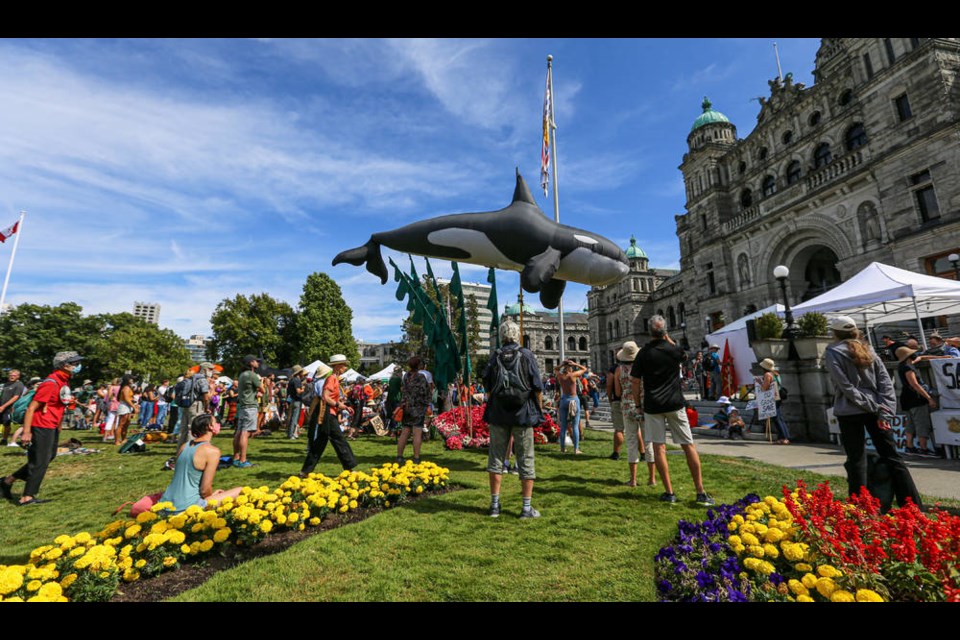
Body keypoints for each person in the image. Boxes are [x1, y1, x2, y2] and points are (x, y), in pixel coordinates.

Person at [824, 315, 922, 510]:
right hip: (876, 409)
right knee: (892, 456)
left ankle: (860, 506)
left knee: (856, 459)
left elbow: (846, 387)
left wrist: (874, 407)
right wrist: (883, 410)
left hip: (851, 410)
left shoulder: (833, 352)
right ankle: (912, 506)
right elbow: (886, 383)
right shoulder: (868, 349)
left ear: (835, 333)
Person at [631, 315, 714, 506]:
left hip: (653, 405)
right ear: (665, 332)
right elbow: (684, 355)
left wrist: (637, 404)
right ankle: (700, 491)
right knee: (688, 445)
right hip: (676, 403)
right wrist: (668, 338)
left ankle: (669, 492)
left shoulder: (643, 353)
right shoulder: (674, 350)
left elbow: (635, 381)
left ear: (650, 331)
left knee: (659, 447)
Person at [1, 351, 83, 505]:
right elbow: (32, 407)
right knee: (40, 462)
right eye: (75, 363)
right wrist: (26, 432)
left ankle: (7, 481)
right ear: (64, 365)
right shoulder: (51, 383)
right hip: (41, 425)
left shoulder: (64, 381)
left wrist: (58, 426)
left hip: (52, 425)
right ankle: (27, 497)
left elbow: (59, 405)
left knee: (47, 457)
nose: (78, 366)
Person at [483, 320, 544, 519]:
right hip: (523, 413)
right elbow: (537, 386)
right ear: (518, 335)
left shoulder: (495, 356)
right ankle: (526, 508)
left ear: (501, 336)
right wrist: (539, 409)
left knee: (496, 458)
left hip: (499, 413)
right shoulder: (526, 355)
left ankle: (494, 506)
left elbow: (488, 386)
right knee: (525, 458)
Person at [160, 413, 243, 514]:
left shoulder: (184, 446)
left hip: (165, 504)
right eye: (216, 422)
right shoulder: (212, 451)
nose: (218, 424)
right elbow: (204, 490)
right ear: (210, 426)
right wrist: (213, 496)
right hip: (187, 507)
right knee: (241, 491)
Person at [299, 354, 358, 476]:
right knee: (340, 440)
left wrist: (342, 405)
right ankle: (351, 469)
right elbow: (325, 397)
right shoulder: (331, 378)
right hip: (327, 414)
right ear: (337, 366)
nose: (346, 368)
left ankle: (305, 471)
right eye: (344, 365)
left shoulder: (334, 378)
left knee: (320, 443)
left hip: (328, 413)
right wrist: (339, 405)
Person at [615, 341, 656, 487]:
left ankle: (633, 480)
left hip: (627, 407)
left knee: (631, 442)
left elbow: (618, 392)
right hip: (644, 407)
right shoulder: (644, 368)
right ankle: (652, 479)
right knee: (649, 441)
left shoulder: (619, 370)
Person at [895, 345, 940, 457]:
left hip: (905, 398)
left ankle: (910, 447)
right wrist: (929, 398)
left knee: (910, 424)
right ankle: (924, 449)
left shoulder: (902, 366)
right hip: (916, 398)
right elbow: (915, 384)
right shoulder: (908, 368)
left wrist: (939, 357)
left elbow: (920, 358)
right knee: (921, 423)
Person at [397, 357, 430, 464]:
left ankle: (399, 456)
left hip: (406, 407)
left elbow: (403, 390)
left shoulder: (405, 376)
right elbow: (426, 391)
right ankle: (416, 457)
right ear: (419, 365)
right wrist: (426, 404)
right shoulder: (421, 377)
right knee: (417, 433)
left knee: (405, 432)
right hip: (418, 408)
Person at [233, 355, 262, 469]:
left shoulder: (242, 375)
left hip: (242, 405)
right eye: (256, 361)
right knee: (245, 432)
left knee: (239, 431)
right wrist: (261, 382)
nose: (258, 363)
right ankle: (243, 460)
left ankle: (236, 457)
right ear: (251, 363)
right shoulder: (252, 375)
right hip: (250, 406)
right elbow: (262, 389)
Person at [179, 362, 214, 448]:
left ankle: (180, 449)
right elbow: (206, 397)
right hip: (196, 405)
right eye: (211, 369)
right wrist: (207, 407)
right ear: (205, 369)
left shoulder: (192, 377)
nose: (212, 372)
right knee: (193, 428)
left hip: (187, 404)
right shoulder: (202, 379)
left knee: (184, 429)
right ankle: (190, 449)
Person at [556, 359, 587, 454]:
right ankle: (576, 448)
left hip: (564, 399)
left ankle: (562, 448)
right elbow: (584, 369)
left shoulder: (560, 376)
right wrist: (575, 364)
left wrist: (561, 364)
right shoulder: (573, 375)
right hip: (573, 399)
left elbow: (555, 369)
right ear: (570, 368)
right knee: (575, 425)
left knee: (564, 426)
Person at [758, 358, 790, 444]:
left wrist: (760, 382)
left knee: (776, 418)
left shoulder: (767, 375)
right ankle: (784, 437)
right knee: (779, 417)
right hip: (778, 396)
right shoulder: (776, 374)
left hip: (772, 398)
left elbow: (765, 388)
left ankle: (783, 438)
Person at [0, 369, 26, 446]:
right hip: (1, 406)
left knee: (6, 423)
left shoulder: (19, 384)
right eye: (10, 375)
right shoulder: (6, 384)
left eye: (14, 375)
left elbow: (16, 397)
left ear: (18, 376)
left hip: (9, 407)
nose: (12, 377)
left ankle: (4, 439)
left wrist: (3, 406)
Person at [606, 361, 623, 460]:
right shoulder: (637, 366)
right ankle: (642, 454)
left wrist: (610, 399)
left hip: (618, 400)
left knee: (619, 429)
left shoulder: (615, 369)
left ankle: (616, 453)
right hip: (632, 401)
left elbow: (609, 385)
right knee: (636, 429)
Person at [286, 364, 305, 440]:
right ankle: (291, 435)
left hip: (292, 400)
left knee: (291, 418)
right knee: (295, 418)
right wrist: (303, 388)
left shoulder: (291, 380)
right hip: (297, 400)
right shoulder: (297, 380)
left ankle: (289, 433)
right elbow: (298, 391)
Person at [115, 375, 136, 446]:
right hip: (124, 407)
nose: (132, 380)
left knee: (126, 424)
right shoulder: (126, 388)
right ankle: (117, 441)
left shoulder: (128, 387)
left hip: (128, 407)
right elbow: (126, 399)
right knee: (121, 424)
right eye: (131, 378)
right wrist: (134, 407)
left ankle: (124, 439)